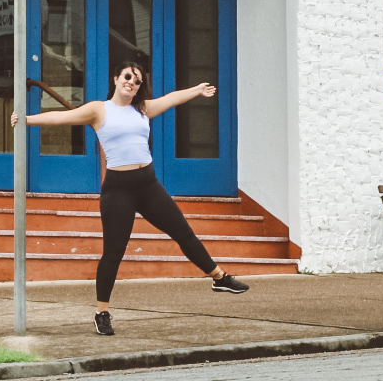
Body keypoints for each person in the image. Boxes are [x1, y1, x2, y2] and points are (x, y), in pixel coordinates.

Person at [14, 62, 248, 336]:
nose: (131, 83)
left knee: (183, 232)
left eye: (137, 81)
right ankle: (102, 312)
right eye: (127, 77)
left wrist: (196, 90)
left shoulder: (142, 109)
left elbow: (170, 99)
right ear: (116, 79)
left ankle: (219, 277)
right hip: (118, 190)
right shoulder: (99, 110)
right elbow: (62, 117)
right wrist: (27, 119)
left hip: (148, 185)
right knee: (113, 253)